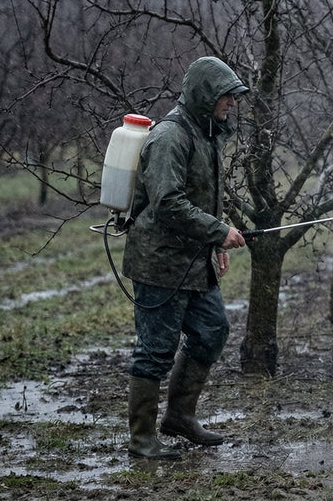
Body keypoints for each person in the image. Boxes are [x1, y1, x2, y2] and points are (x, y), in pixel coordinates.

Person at [121, 56, 248, 460]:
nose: (231, 103)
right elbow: (168, 204)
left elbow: (200, 198)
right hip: (160, 262)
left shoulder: (207, 133)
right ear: (205, 95)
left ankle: (179, 417)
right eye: (226, 96)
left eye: (234, 97)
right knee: (155, 350)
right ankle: (142, 439)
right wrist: (218, 232)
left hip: (194, 260)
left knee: (212, 331)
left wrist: (213, 244)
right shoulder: (171, 137)